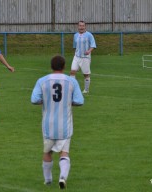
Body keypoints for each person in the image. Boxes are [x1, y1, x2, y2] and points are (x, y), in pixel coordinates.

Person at [31, 55, 84, 189]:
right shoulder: (71, 81)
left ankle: (48, 180)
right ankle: (62, 177)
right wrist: (67, 102)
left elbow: (34, 99)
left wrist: (45, 100)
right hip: (65, 124)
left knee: (48, 152)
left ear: (51, 66)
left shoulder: (42, 81)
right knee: (64, 152)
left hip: (48, 124)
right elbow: (79, 101)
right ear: (64, 67)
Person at [70, 20, 96, 94]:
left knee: (86, 74)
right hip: (76, 57)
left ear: (85, 26)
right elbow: (75, 46)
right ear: (78, 26)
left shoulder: (89, 35)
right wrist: (76, 53)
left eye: (83, 26)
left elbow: (93, 45)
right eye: (80, 26)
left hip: (85, 58)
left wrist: (89, 51)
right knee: (72, 72)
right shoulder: (75, 35)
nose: (81, 27)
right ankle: (73, 89)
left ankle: (86, 90)